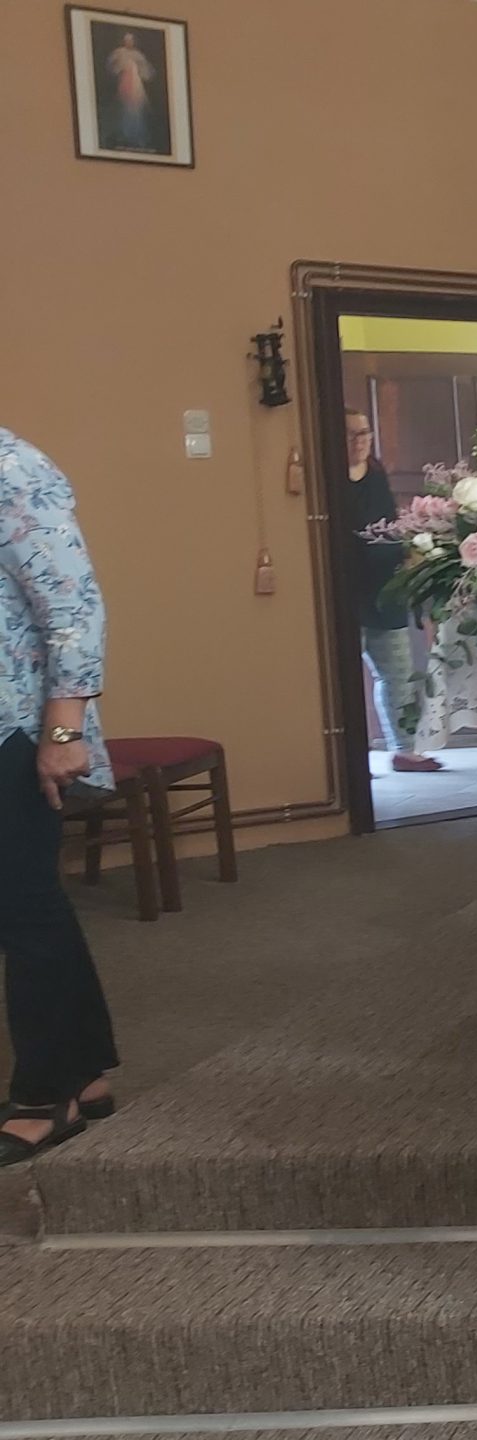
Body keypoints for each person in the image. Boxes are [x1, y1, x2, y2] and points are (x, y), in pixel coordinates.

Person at [0, 429, 121, 1167]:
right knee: (27, 903)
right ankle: (87, 1073)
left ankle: (46, 1097)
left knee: (21, 907)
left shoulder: (11, 466)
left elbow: (73, 603)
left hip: (15, 724)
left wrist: (64, 730)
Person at [343, 411, 441, 775]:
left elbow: (389, 524)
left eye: (364, 432)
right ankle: (351, 756)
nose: (359, 440)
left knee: (398, 675)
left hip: (384, 589)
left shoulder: (376, 473)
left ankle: (404, 750)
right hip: (347, 591)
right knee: (344, 680)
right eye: (351, 434)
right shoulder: (330, 478)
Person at [103, 31, 155, 152]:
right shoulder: (118, 53)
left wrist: (138, 70)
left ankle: (136, 136)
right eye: (127, 40)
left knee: (137, 109)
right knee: (124, 107)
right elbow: (111, 67)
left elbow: (146, 71)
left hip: (136, 85)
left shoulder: (138, 55)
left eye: (131, 40)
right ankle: (123, 135)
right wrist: (122, 69)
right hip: (124, 83)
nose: (129, 42)